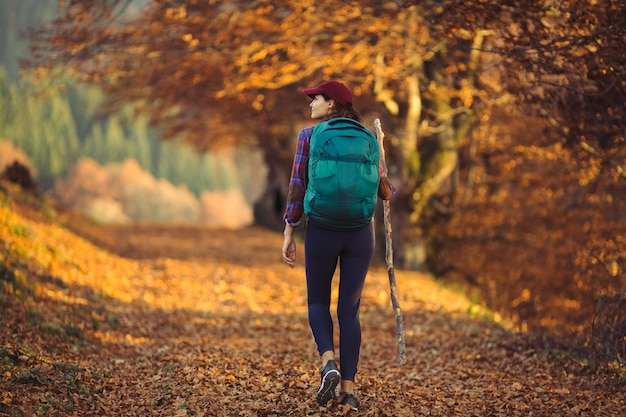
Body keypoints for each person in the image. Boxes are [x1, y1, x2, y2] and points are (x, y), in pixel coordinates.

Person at [282, 80, 393, 412]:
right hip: (361, 233)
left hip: (322, 229)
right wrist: (381, 156)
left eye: (315, 98)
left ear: (332, 105)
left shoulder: (308, 136)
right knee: (350, 310)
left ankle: (328, 361)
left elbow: (297, 184)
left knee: (317, 299)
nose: (310, 103)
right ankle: (349, 392)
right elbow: (386, 192)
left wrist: (289, 228)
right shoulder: (368, 139)